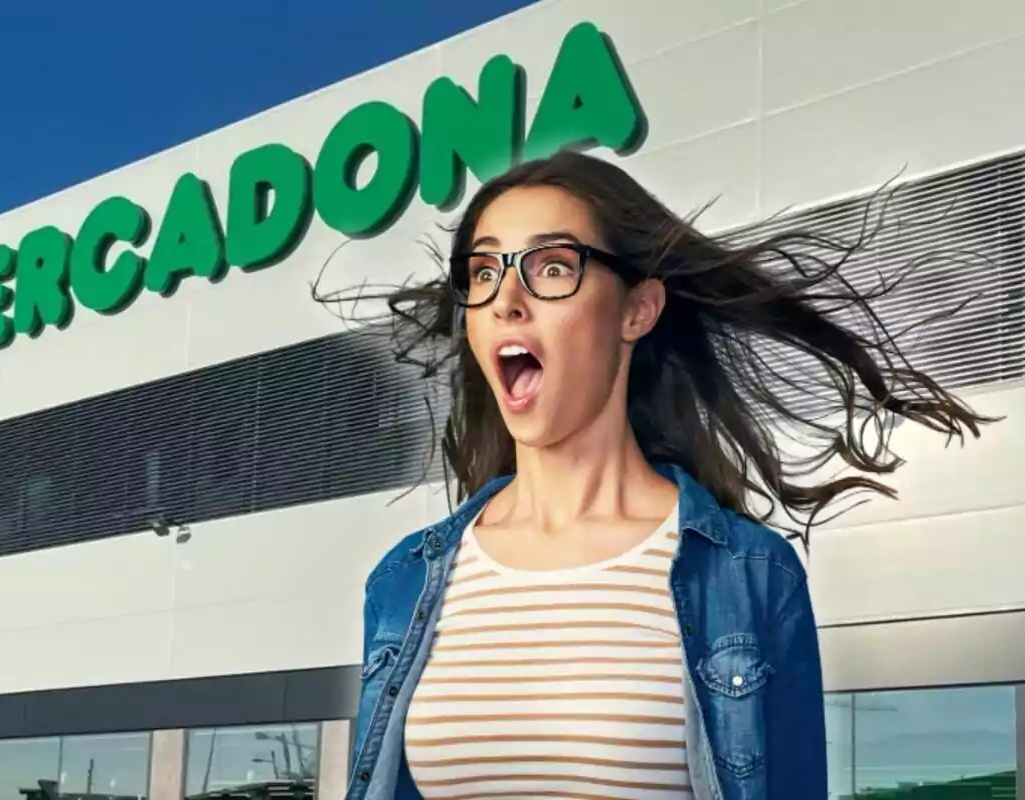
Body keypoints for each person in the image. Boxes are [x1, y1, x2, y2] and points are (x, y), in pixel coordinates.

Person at [328, 150, 993, 800]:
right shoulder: (404, 582)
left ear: (637, 310)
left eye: (552, 266)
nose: (506, 298)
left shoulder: (749, 575)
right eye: (482, 272)